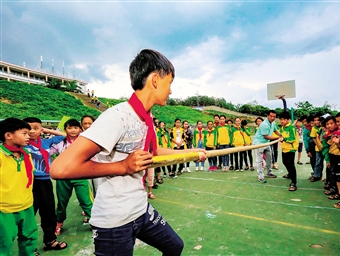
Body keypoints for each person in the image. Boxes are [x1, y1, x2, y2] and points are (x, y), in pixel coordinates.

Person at [50, 49, 206, 255]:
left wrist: (192, 152)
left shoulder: (146, 117)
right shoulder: (118, 116)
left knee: (174, 246)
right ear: (155, 80)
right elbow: (60, 169)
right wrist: (123, 166)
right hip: (114, 220)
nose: (170, 91)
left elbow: (154, 151)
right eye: (170, 83)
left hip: (140, 209)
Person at [23, 117, 68, 251]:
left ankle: (50, 241)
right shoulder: (22, 144)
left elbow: (64, 135)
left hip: (45, 182)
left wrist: (45, 130)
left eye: (35, 128)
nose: (31, 132)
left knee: (48, 213)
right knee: (29, 215)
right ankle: (29, 249)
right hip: (29, 183)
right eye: (28, 129)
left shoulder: (46, 143)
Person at [0, 118, 38, 256]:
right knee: (4, 243)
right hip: (4, 209)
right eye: (24, 133)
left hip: (26, 205)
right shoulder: (1, 155)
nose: (29, 136)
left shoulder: (26, 155)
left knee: (30, 239)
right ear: (8, 135)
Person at [50, 119, 93, 236]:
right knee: (62, 203)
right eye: (69, 128)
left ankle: (94, 222)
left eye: (75, 127)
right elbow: (47, 153)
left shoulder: (85, 142)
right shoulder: (60, 144)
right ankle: (59, 223)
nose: (73, 130)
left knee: (86, 201)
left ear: (80, 129)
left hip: (80, 176)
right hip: (63, 177)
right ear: (65, 130)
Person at [252, 110, 282, 183]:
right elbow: (266, 136)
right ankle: (260, 176)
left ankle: (269, 172)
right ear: (267, 116)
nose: (272, 118)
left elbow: (275, 131)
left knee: (269, 159)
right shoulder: (264, 124)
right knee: (259, 161)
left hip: (266, 144)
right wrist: (278, 138)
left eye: (274, 117)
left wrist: (281, 135)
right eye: (271, 116)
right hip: (259, 143)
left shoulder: (273, 123)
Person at [321, 116, 340, 200]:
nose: (329, 126)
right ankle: (334, 189)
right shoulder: (326, 135)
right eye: (327, 124)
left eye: (331, 123)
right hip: (332, 156)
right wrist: (327, 159)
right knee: (332, 172)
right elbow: (325, 148)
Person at [279, 112, 299, 191]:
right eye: (281, 119)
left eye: (284, 119)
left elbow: (292, 139)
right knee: (284, 162)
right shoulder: (282, 127)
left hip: (291, 149)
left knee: (291, 165)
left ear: (288, 120)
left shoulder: (291, 128)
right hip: (284, 148)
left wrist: (284, 139)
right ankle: (290, 174)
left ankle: (293, 182)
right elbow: (282, 136)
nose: (282, 121)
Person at [309, 115, 324, 183]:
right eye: (314, 120)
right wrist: (318, 146)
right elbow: (314, 138)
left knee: (328, 163)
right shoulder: (314, 128)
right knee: (318, 162)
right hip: (318, 149)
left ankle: (328, 178)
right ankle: (317, 175)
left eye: (318, 120)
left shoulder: (324, 127)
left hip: (326, 149)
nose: (316, 122)